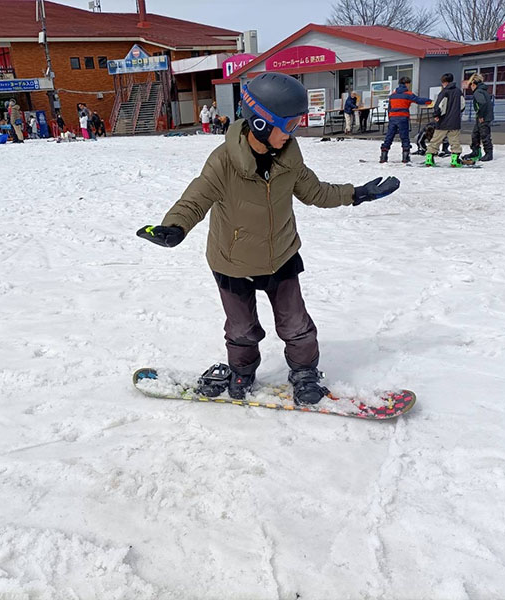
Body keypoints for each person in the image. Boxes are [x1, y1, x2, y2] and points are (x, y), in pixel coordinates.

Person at [136, 72, 401, 405]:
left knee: (296, 325)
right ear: (261, 124)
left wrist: (356, 194)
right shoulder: (223, 163)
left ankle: (304, 370)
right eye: (289, 125)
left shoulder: (289, 159)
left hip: (281, 255)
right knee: (241, 329)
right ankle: (242, 370)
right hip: (232, 260)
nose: (294, 132)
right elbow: (195, 198)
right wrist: (175, 227)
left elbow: (316, 191)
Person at [380, 76, 432, 164]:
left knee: (389, 137)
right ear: (407, 84)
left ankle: (383, 157)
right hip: (403, 118)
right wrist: (429, 101)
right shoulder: (408, 94)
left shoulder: (392, 95)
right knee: (404, 137)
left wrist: (390, 118)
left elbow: (389, 108)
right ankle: (405, 157)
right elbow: (418, 100)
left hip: (393, 118)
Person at [425, 73, 466, 167]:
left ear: (444, 82)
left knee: (435, 140)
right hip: (455, 121)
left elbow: (439, 105)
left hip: (443, 121)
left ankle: (429, 159)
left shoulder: (444, 92)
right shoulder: (458, 91)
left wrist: (436, 115)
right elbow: (462, 105)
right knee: (455, 141)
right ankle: (455, 160)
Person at [461, 73, 494, 162]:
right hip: (483, 116)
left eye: (471, 85)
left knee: (484, 135)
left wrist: (481, 115)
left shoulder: (478, 92)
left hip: (483, 117)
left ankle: (488, 154)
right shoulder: (483, 90)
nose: (470, 88)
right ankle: (475, 151)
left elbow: (482, 103)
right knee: (475, 134)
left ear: (473, 84)